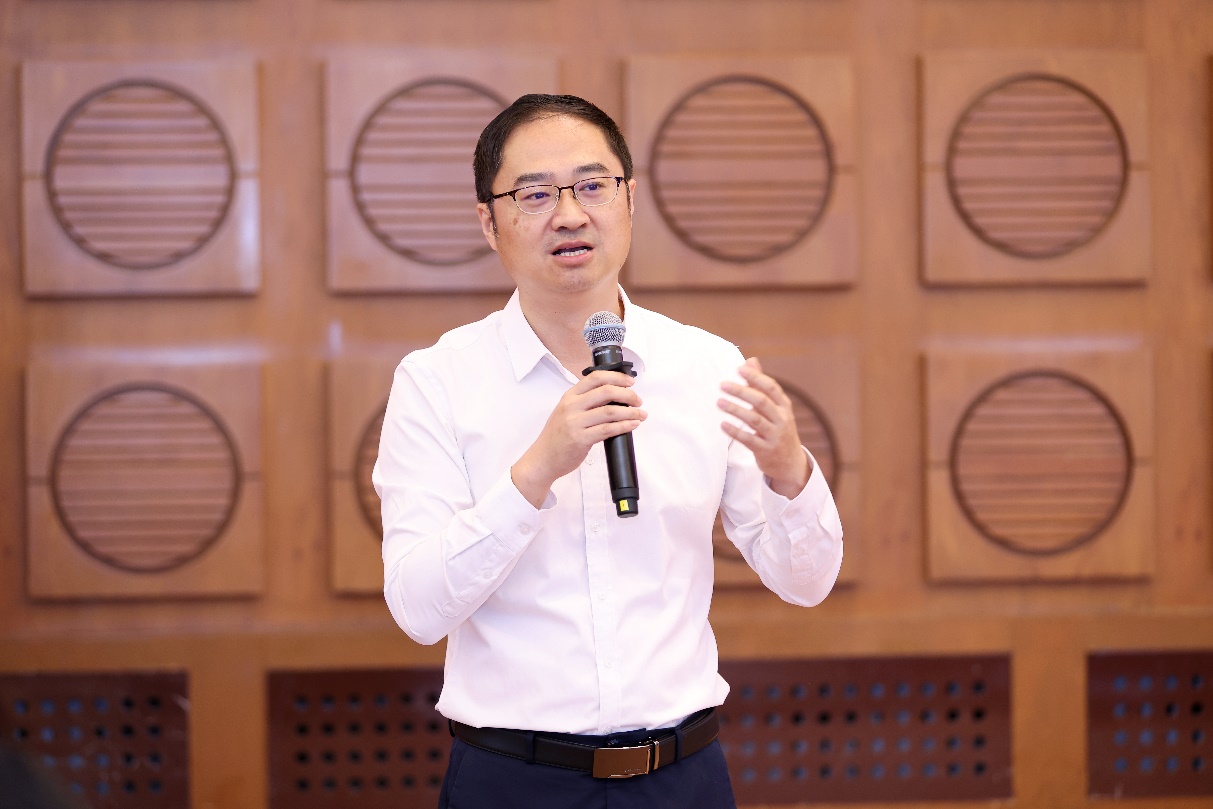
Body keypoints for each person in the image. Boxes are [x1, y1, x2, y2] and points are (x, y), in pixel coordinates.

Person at [373, 94, 844, 809]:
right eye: (535, 194)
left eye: (592, 185)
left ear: (629, 200)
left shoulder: (706, 367)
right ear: (489, 222)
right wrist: (535, 472)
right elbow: (418, 608)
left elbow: (806, 583)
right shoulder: (437, 381)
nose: (569, 214)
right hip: (512, 779)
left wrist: (789, 473)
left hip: (682, 777)